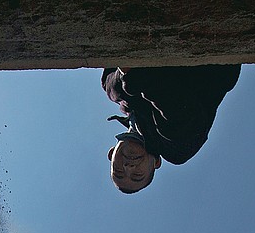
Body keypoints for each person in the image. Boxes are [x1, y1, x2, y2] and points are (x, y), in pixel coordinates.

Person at [102, 64, 242, 194]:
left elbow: (110, 79)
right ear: (156, 163)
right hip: (209, 64)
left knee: (113, 90)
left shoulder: (124, 103)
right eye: (137, 175)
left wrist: (124, 79)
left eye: (119, 171)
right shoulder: (176, 151)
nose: (128, 167)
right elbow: (180, 115)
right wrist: (134, 77)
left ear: (111, 153)